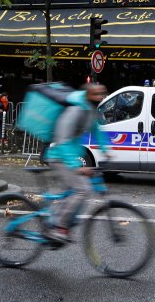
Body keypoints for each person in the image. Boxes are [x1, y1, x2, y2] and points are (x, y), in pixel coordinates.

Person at [43, 82, 111, 243]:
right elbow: (62, 138)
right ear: (87, 95)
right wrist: (76, 167)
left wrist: (106, 151)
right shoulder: (76, 109)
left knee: (76, 192)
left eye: (102, 94)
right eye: (96, 94)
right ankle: (58, 227)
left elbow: (97, 131)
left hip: (71, 155)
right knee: (82, 189)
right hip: (59, 155)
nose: (100, 97)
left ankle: (59, 218)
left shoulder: (90, 110)